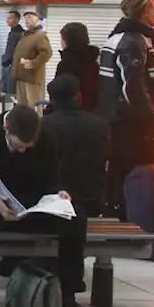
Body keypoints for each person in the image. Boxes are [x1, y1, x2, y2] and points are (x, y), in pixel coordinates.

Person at [0, 104, 107, 307]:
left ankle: (67, 298)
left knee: (75, 218)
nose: (22, 152)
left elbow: (51, 177)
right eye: (17, 146)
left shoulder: (45, 138)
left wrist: (59, 193)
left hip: (31, 206)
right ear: (6, 128)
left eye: (28, 148)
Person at [99, 0, 154, 219]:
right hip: (130, 123)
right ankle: (130, 216)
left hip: (118, 118)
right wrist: (150, 118)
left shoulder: (121, 37)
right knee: (133, 170)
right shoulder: (133, 42)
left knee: (120, 169)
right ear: (144, 12)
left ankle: (118, 211)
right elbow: (133, 87)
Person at [42, 74, 110, 222]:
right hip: (92, 202)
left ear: (52, 100)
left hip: (56, 203)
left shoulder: (43, 126)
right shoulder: (100, 125)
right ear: (77, 96)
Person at [55, 22, 101, 113]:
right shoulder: (93, 63)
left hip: (68, 115)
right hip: (90, 114)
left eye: (62, 39)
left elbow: (58, 91)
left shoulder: (65, 65)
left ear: (67, 41)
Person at [12, 10, 51, 109]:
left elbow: (46, 53)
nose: (27, 20)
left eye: (30, 17)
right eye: (25, 18)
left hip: (32, 79)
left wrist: (33, 63)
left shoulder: (40, 36)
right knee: (22, 107)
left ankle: (37, 124)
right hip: (21, 77)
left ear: (37, 19)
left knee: (33, 107)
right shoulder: (25, 35)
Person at [0, 9, 24, 95]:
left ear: (17, 19)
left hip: (11, 65)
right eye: (7, 18)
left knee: (10, 90)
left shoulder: (17, 33)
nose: (7, 20)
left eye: (10, 18)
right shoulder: (14, 32)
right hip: (10, 64)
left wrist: (7, 61)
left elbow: (12, 50)